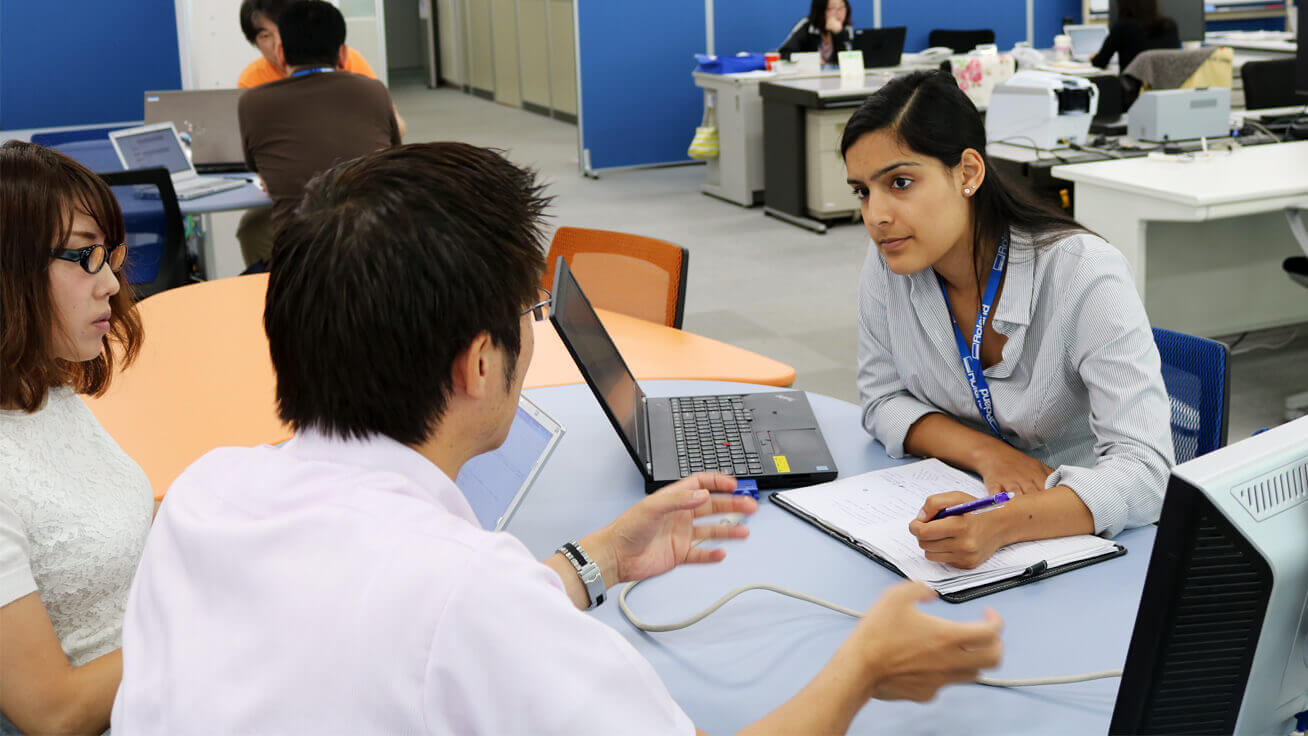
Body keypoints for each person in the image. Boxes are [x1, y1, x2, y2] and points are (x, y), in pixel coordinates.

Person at [113, 141, 1003, 734]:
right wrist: (865, 668)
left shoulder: (205, 496)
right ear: (478, 366)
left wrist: (593, 562)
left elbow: (374, 633)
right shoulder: (467, 590)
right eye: (526, 317)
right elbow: (449, 616)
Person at [845, 70, 1174, 570]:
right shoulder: (892, 264)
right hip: (968, 509)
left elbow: (1147, 473)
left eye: (901, 183)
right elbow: (881, 399)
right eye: (863, 192)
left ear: (968, 173)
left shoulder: (1082, 272)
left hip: (1091, 538)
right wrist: (989, 455)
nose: (876, 215)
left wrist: (1002, 524)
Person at [0, 141, 153, 735]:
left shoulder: (46, 389)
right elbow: (52, 712)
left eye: (110, 255)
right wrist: (199, 624)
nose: (112, 283)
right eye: (85, 257)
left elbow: (89, 525)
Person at [236, 0, 401, 268]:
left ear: (281, 51)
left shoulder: (251, 103)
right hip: (374, 249)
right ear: (343, 54)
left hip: (299, 259)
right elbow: (393, 154)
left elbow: (256, 166)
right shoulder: (375, 91)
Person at [1090, 0, 1181, 72]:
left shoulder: (1123, 27)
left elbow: (1100, 63)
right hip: (1167, 92)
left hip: (1134, 92)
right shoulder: (1170, 26)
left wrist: (1094, 58)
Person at [778, 0, 854, 65]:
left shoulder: (846, 29)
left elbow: (850, 60)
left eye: (842, 7)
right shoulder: (807, 27)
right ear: (820, 10)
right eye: (832, 8)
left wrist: (839, 34)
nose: (838, 13)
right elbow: (784, 53)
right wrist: (810, 60)